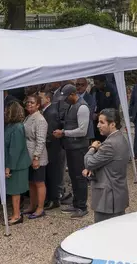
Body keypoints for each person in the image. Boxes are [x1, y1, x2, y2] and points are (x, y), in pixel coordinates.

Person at [84, 108, 130, 223]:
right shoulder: (120, 138)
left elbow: (89, 162)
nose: (98, 125)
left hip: (108, 199)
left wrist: (92, 148)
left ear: (113, 124)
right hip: (116, 195)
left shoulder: (109, 144)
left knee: (103, 233)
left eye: (102, 122)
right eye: (98, 122)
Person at [52, 84, 89, 218]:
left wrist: (64, 133)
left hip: (79, 147)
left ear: (73, 94)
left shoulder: (82, 107)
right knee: (73, 177)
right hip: (71, 147)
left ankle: (82, 206)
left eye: (66, 97)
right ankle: (76, 203)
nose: (65, 100)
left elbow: (82, 130)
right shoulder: (71, 105)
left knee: (80, 177)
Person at [4, 102, 31, 225]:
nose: (5, 112)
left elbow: (15, 149)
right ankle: (15, 213)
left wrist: (9, 167)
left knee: (15, 191)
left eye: (7, 111)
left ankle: (17, 215)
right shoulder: (10, 126)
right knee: (13, 191)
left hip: (17, 165)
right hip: (13, 163)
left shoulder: (18, 127)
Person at [23, 94, 49, 219]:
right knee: (31, 182)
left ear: (38, 105)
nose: (29, 104)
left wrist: (36, 157)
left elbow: (41, 140)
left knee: (39, 182)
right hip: (28, 155)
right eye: (28, 102)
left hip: (37, 156)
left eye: (32, 102)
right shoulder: (28, 117)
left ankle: (40, 208)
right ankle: (32, 205)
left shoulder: (40, 120)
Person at [39, 89, 64, 210]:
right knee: (49, 174)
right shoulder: (46, 111)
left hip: (52, 148)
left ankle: (54, 199)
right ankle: (50, 198)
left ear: (48, 99)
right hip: (49, 148)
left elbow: (51, 133)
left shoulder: (51, 113)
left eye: (42, 98)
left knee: (53, 174)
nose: (40, 100)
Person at [91, 75, 120, 143]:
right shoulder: (94, 89)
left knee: (106, 141)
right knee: (96, 140)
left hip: (107, 120)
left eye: (97, 83)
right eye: (94, 83)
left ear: (103, 82)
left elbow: (114, 106)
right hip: (95, 121)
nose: (96, 85)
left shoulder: (112, 89)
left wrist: (100, 114)